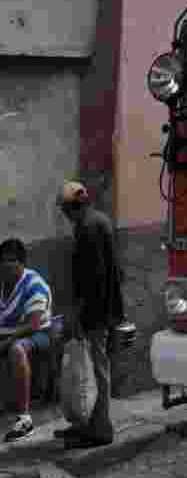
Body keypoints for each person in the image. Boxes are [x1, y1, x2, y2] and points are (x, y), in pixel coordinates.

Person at [54, 182, 125, 448]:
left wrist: (79, 314)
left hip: (96, 313)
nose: (64, 215)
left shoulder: (88, 227)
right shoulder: (97, 220)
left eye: (64, 210)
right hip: (101, 309)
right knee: (91, 370)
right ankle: (87, 424)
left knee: (96, 370)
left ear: (70, 208)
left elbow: (94, 277)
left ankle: (100, 429)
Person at [0, 238, 53, 443]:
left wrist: (7, 342)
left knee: (16, 350)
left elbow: (34, 324)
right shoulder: (3, 283)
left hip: (36, 335)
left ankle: (24, 419)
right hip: (7, 333)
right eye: (3, 260)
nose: (6, 265)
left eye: (11, 260)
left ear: (22, 263)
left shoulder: (34, 284)